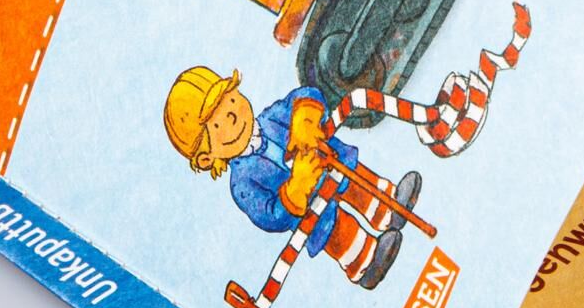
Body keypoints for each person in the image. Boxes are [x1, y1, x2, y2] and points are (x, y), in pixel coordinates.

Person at [163, 66, 422, 290]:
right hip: (317, 216)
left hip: (334, 165)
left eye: (230, 100)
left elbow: (304, 96)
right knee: (338, 231)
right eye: (216, 124)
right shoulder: (242, 183)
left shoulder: (271, 117)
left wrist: (304, 118)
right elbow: (270, 216)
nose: (232, 115)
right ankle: (366, 261)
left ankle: (388, 207)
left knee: (353, 180)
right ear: (206, 158)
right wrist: (297, 188)